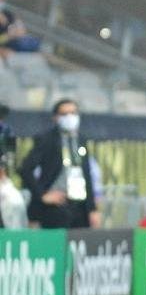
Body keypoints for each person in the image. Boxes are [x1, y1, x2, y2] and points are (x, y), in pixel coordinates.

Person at [18, 98, 101, 229]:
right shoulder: (47, 139)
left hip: (80, 206)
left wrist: (92, 209)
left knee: (80, 240)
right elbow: (25, 169)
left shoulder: (81, 139)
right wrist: (42, 195)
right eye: (64, 114)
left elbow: (86, 174)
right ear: (56, 117)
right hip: (56, 206)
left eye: (73, 113)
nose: (70, 117)